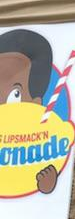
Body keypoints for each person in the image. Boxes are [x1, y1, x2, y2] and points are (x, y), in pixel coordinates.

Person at [0, 28, 57, 194]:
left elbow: (40, 179)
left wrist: (48, 185)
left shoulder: (40, 141)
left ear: (36, 103)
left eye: (15, 94)